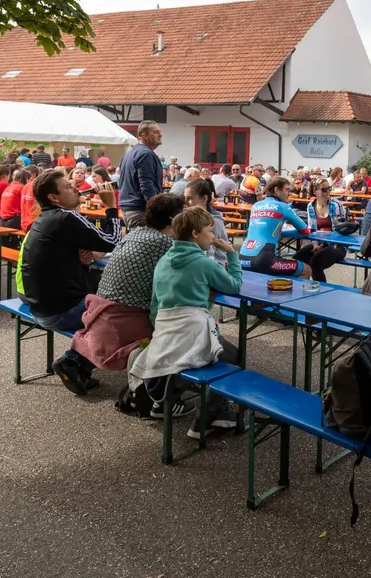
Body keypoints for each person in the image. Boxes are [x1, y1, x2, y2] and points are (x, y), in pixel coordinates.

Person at [131, 206, 242, 435]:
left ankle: (163, 402)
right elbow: (234, 285)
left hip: (165, 332)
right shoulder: (204, 264)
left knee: (180, 355)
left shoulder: (163, 261)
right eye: (210, 231)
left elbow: (155, 305)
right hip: (193, 333)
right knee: (234, 358)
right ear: (195, 233)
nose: (213, 236)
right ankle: (207, 419)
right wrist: (232, 254)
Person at [69, 193, 186, 406]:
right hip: (123, 318)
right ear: (173, 219)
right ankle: (155, 390)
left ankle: (76, 359)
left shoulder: (136, 233)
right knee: (178, 328)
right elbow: (191, 277)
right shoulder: (167, 243)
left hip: (99, 310)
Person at [19, 170, 122, 391]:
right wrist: (111, 207)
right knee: (126, 315)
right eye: (67, 187)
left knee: (103, 291)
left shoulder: (45, 219)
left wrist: (83, 262)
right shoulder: (66, 216)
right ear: (53, 198)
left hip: (39, 307)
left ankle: (80, 365)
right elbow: (113, 240)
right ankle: (73, 360)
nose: (75, 187)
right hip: (60, 312)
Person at [239, 177, 312, 277]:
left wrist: (278, 232)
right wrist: (282, 233)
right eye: (287, 190)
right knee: (306, 270)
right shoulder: (282, 206)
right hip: (263, 259)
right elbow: (305, 231)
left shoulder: (256, 205)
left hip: (242, 258)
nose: (289, 193)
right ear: (277, 190)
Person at [295, 179, 349, 280]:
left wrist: (323, 245)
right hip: (320, 242)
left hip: (338, 245)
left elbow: (341, 230)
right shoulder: (311, 206)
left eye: (329, 189)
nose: (327, 192)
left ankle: (320, 292)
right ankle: (299, 287)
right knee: (298, 258)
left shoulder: (336, 205)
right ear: (315, 191)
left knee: (315, 263)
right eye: (324, 189)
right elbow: (312, 229)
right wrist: (315, 244)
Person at [118, 120, 164, 227]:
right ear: (145, 135)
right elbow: (146, 185)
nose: (160, 135)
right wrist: (157, 210)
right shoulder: (146, 154)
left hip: (129, 208)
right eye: (156, 132)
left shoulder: (129, 154)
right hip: (140, 210)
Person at [185, 178, 230, 265]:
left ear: (204, 199)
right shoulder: (192, 217)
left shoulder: (214, 222)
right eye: (185, 198)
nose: (185, 202)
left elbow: (213, 255)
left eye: (189, 198)